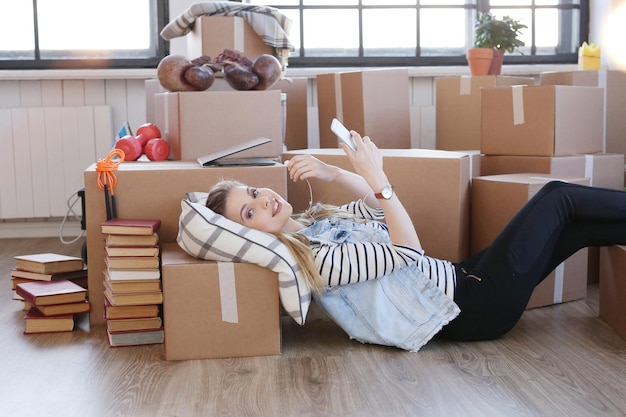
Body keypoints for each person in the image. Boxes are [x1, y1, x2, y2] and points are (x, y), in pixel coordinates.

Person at [205, 130, 626, 351]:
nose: (264, 201)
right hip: (474, 306)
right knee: (558, 197)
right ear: (247, 233)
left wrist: (334, 173)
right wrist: (379, 177)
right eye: (249, 212)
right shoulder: (319, 263)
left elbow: (376, 205)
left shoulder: (318, 223)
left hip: (463, 277)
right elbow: (407, 251)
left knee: (578, 228)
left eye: (255, 192)